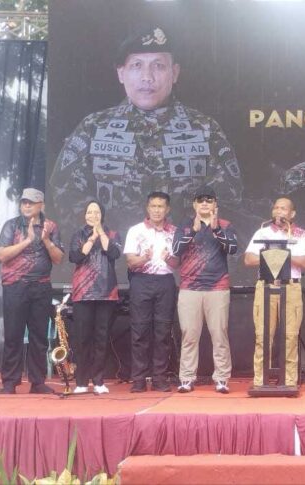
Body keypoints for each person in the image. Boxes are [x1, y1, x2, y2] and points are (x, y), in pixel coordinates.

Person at [50, 25, 243, 236]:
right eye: (136, 65)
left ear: (175, 73)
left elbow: (229, 195)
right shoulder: (93, 127)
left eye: (158, 66)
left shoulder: (205, 129)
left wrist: (191, 242)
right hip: (111, 259)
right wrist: (101, 241)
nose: (147, 77)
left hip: (185, 259)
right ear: (121, 73)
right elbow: (65, 191)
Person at [172, 186, 238, 393]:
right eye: (200, 200)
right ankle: (187, 378)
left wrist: (216, 229)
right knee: (189, 334)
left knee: (219, 334)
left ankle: (221, 378)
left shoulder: (225, 225)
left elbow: (233, 249)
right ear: (194, 205)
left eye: (209, 200)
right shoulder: (184, 225)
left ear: (215, 204)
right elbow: (175, 251)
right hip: (189, 288)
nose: (204, 204)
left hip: (217, 288)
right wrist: (193, 230)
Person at [0, 188, 64, 394]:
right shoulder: (11, 225)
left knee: (39, 336)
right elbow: (1, 255)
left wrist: (45, 240)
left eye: (31, 202)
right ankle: (10, 382)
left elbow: (58, 258)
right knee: (13, 334)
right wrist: (27, 240)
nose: (26, 205)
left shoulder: (50, 226)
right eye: (24, 202)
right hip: (15, 286)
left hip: (41, 287)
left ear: (41, 205)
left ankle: (37, 382)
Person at [244, 197, 305, 390]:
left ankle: (289, 380)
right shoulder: (263, 232)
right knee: (264, 334)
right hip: (266, 286)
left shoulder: (300, 234)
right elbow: (249, 259)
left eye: (284, 209)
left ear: (292, 214)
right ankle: (261, 378)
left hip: (290, 286)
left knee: (290, 335)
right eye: (276, 208)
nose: (279, 212)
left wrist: (282, 254)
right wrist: (271, 256)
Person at [124, 191, 177, 393]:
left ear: (167, 209)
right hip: (141, 282)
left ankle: (159, 378)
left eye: (161, 206)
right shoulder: (135, 230)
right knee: (139, 331)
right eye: (153, 206)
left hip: (165, 282)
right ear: (147, 208)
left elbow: (177, 263)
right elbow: (130, 261)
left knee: (162, 333)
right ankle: (138, 379)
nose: (157, 210)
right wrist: (144, 259)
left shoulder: (174, 232)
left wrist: (167, 259)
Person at [68, 200, 123, 395]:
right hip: (83, 293)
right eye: (90, 212)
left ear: (102, 215)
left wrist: (100, 233)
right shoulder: (78, 234)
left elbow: (114, 253)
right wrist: (91, 239)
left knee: (101, 338)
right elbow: (75, 257)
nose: (93, 215)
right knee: (83, 338)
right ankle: (82, 381)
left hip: (106, 293)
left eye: (97, 212)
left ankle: (99, 380)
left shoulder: (112, 234)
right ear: (85, 215)